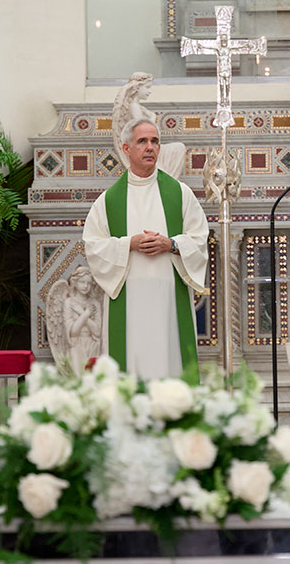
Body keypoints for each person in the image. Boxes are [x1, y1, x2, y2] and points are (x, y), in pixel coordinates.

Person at [82, 118, 209, 383]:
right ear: (127, 149)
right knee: (131, 370)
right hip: (129, 300)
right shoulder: (108, 200)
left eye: (155, 141)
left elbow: (199, 238)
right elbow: (93, 246)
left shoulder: (180, 193)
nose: (150, 147)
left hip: (169, 299)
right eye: (142, 141)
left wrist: (171, 244)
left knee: (170, 368)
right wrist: (129, 243)